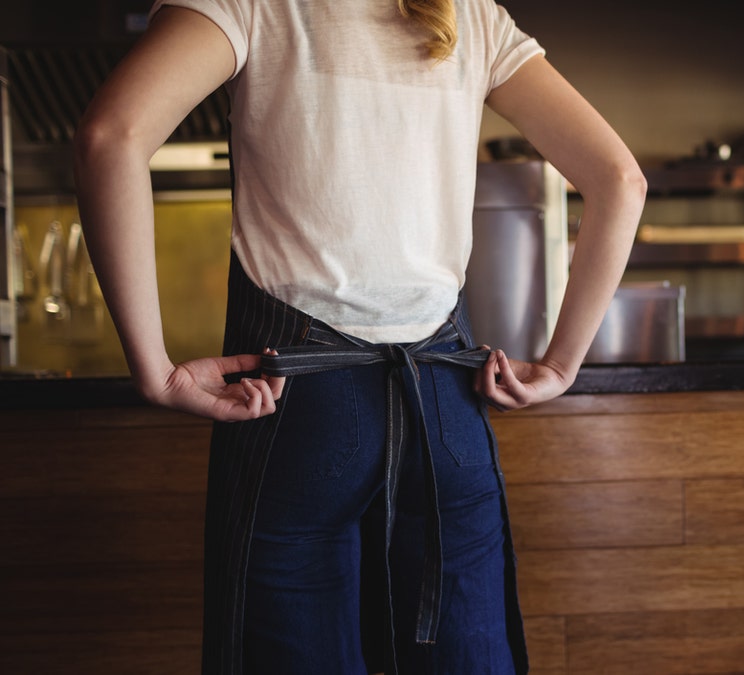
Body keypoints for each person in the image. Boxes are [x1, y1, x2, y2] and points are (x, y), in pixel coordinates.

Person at [73, 0, 646, 673]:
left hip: (298, 410)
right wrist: (560, 363)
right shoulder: (473, 16)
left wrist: (155, 368)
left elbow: (111, 134)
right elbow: (620, 179)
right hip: (444, 412)